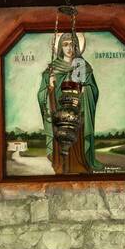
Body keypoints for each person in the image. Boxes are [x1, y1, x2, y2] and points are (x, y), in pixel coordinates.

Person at [37, 31, 99, 175]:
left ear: (77, 46)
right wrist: (50, 87)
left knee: (77, 140)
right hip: (59, 112)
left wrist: (86, 90)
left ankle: (78, 164)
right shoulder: (52, 69)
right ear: (60, 47)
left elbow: (93, 90)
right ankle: (61, 165)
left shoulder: (83, 66)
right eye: (65, 45)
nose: (69, 48)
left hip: (78, 111)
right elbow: (42, 95)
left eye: (72, 44)